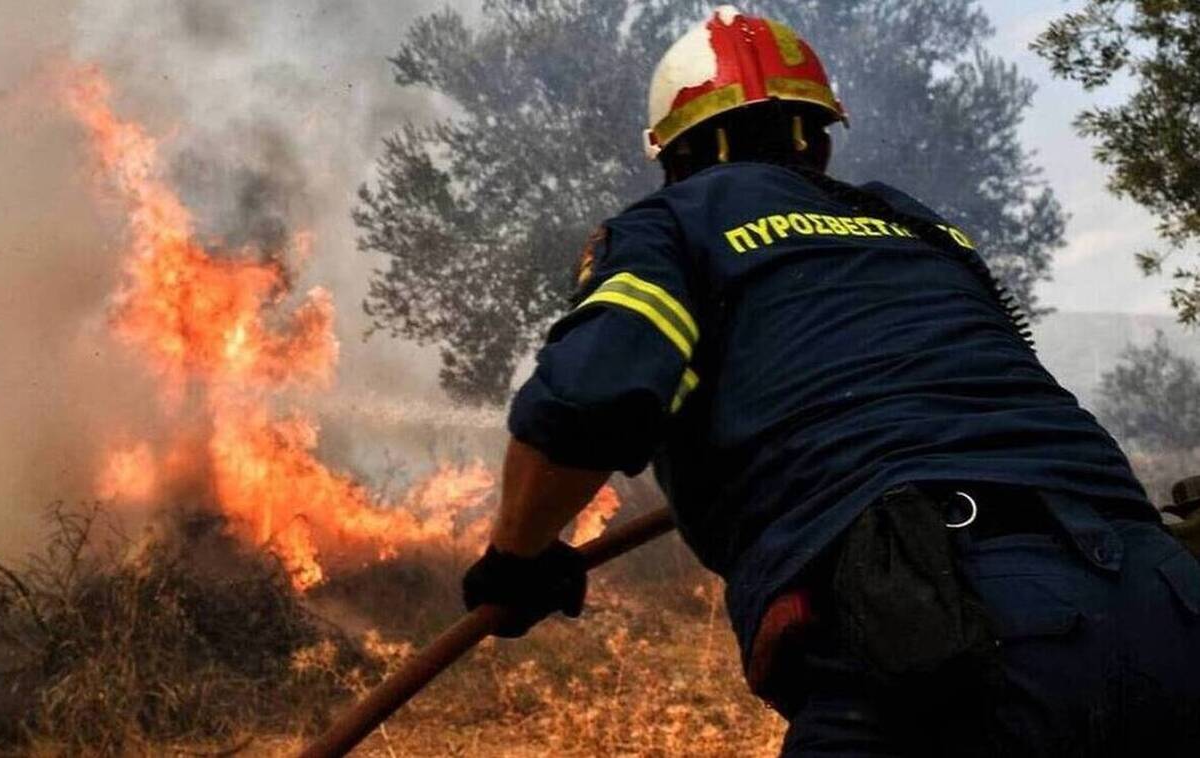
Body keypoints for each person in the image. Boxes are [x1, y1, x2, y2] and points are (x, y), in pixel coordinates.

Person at [462, 6, 1200, 756]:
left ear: (674, 158)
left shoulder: (671, 226)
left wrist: (514, 559)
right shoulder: (915, 229)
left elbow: (590, 397)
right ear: (815, 142)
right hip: (1167, 600)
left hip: (947, 626)